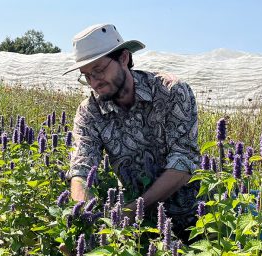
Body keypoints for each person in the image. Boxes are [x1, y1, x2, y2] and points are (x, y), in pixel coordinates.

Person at [64, 23, 200, 241]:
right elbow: (81, 168)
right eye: (87, 75)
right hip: (137, 228)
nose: (94, 82)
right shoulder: (90, 112)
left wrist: (135, 208)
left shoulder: (170, 92)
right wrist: (83, 218)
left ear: (124, 58)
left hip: (197, 221)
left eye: (98, 70)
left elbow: (184, 161)